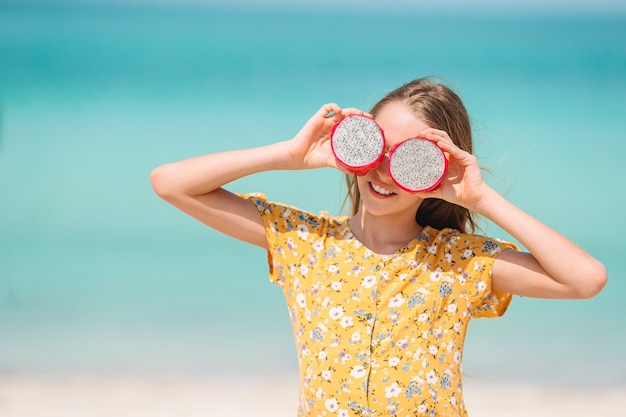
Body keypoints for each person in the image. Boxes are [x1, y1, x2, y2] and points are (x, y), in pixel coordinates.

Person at [150, 77, 607, 417]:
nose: (384, 171)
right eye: (375, 147)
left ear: (439, 171)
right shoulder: (307, 241)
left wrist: (480, 197)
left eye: (410, 158)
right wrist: (287, 156)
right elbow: (170, 184)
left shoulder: (459, 261)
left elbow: (586, 280)